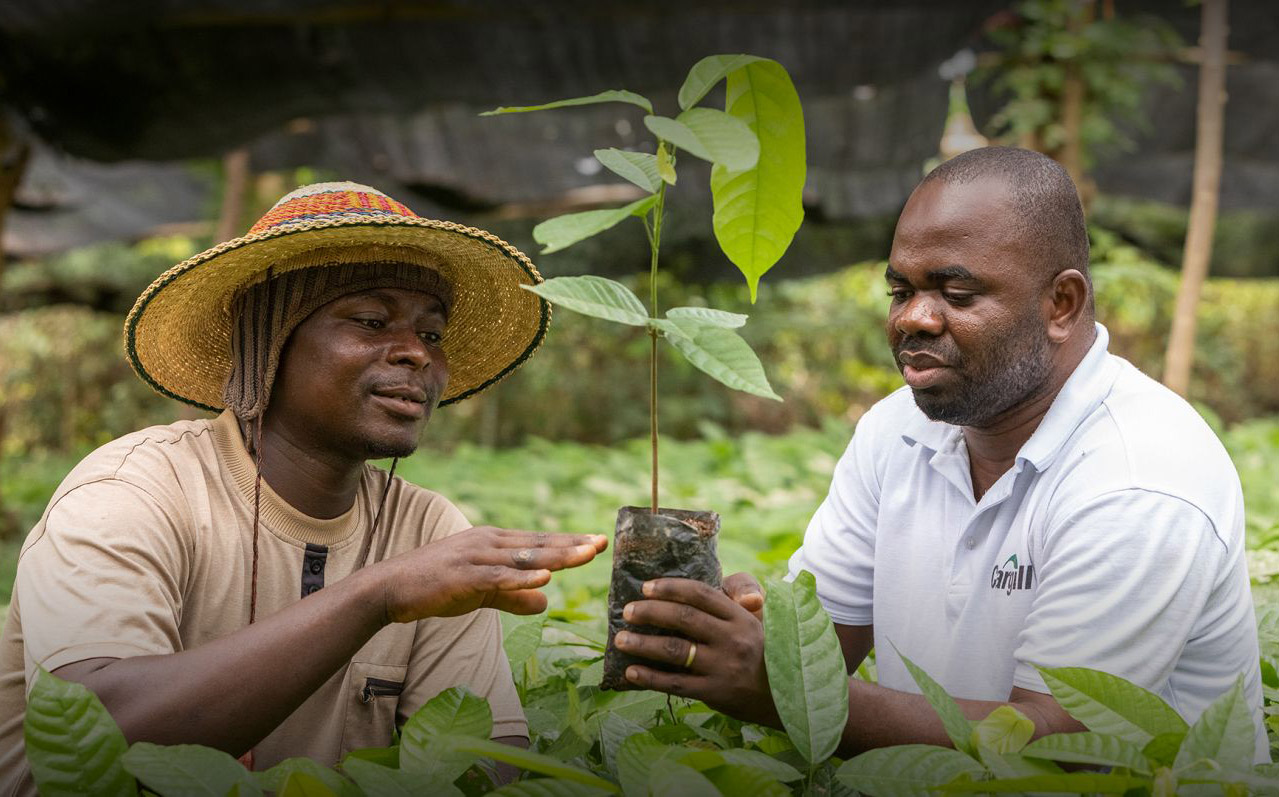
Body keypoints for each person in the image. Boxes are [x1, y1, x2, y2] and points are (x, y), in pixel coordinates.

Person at [611, 147, 1268, 762]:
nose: (912, 319)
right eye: (900, 291)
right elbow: (821, 642)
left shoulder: (1138, 479)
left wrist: (786, 690)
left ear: (1060, 303)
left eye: (956, 294)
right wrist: (745, 636)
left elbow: (1057, 750)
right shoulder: (895, 430)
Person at [0, 181, 608, 794]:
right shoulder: (134, 493)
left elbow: (484, 769)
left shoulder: (427, 532)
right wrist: (378, 594)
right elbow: (96, 739)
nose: (416, 356)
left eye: (431, 335)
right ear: (266, 341)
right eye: (371, 321)